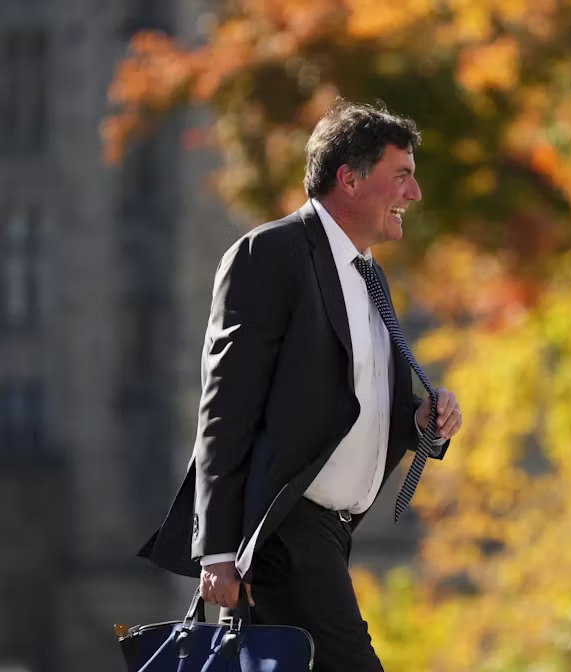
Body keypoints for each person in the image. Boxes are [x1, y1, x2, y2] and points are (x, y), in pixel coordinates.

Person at [138, 99, 463, 670]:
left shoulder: (369, 274)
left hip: (332, 537)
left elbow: (349, 397)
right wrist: (217, 550)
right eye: (402, 177)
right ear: (350, 180)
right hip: (284, 532)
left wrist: (419, 421)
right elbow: (225, 407)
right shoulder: (268, 255)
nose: (414, 195)